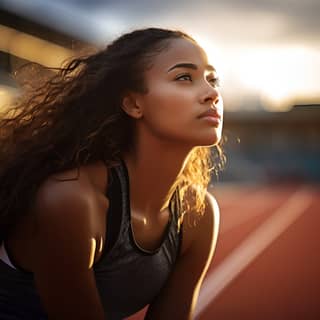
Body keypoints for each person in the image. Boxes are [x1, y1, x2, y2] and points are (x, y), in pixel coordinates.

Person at [0, 27, 224, 319]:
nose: (212, 93)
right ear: (133, 104)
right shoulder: (72, 201)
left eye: (212, 78)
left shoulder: (198, 214)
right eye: (184, 77)